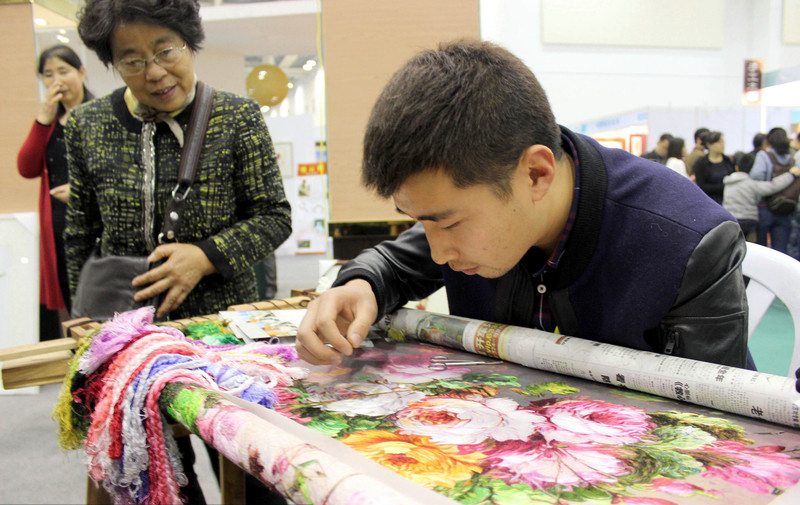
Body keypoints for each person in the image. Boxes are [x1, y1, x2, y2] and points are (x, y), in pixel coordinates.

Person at [297, 40, 751, 372]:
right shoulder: (479, 197)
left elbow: (716, 423)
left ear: (537, 174)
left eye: (449, 224)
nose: (438, 254)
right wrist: (359, 284)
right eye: (420, 222)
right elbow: (395, 263)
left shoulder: (688, 242)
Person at [68, 0, 291, 503]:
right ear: (112, 62)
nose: (155, 71)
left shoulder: (236, 116)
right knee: (159, 481)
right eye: (132, 59)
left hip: (222, 340)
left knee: (251, 471)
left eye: (166, 50)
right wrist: (79, 319)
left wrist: (205, 255)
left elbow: (274, 216)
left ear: (189, 43)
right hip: (131, 342)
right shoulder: (87, 127)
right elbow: (80, 235)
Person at [17, 45, 93, 340]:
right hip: (58, 229)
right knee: (67, 301)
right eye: (48, 75)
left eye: (64, 71)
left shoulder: (98, 117)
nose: (57, 80)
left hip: (92, 227)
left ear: (81, 73)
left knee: (96, 298)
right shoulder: (48, 123)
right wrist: (42, 118)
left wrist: (81, 192)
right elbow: (26, 167)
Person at [722, 152, 800, 242]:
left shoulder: (727, 182)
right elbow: (773, 186)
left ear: (736, 167)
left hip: (731, 219)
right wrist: (791, 175)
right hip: (749, 220)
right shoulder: (751, 184)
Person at [750, 127, 796, 254]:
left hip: (765, 207)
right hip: (786, 208)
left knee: (762, 250)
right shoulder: (792, 158)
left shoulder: (764, 155)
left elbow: (756, 178)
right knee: (781, 252)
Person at [693, 131, 734, 205]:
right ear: (709, 144)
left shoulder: (727, 160)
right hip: (709, 201)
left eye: (723, 142)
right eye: (719, 142)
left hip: (728, 201)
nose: (723, 145)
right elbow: (701, 186)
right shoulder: (701, 163)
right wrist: (723, 187)